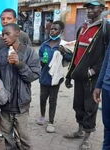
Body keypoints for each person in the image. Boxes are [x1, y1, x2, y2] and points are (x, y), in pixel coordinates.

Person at [64, 0, 109, 149]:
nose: (89, 11)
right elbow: (77, 52)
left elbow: (106, 56)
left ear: (102, 9)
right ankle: (80, 130)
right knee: (78, 104)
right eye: (88, 8)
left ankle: (88, 136)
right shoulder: (82, 28)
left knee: (90, 106)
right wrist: (70, 74)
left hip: (93, 76)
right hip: (79, 74)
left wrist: (94, 71)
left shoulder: (105, 28)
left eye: (93, 8)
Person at [0, 23, 40, 150]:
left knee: (24, 138)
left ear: (17, 33)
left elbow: (34, 76)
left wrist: (19, 64)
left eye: (7, 34)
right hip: (5, 105)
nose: (4, 37)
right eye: (2, 34)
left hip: (22, 105)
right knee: (7, 137)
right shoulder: (1, 53)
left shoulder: (30, 52)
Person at [37, 21, 67, 133]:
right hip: (44, 76)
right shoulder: (44, 44)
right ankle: (42, 116)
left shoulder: (63, 45)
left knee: (53, 100)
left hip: (55, 78)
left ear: (61, 31)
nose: (53, 31)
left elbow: (69, 59)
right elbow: (39, 58)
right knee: (42, 98)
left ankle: (51, 122)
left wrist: (64, 53)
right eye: (51, 29)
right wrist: (42, 61)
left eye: (55, 29)